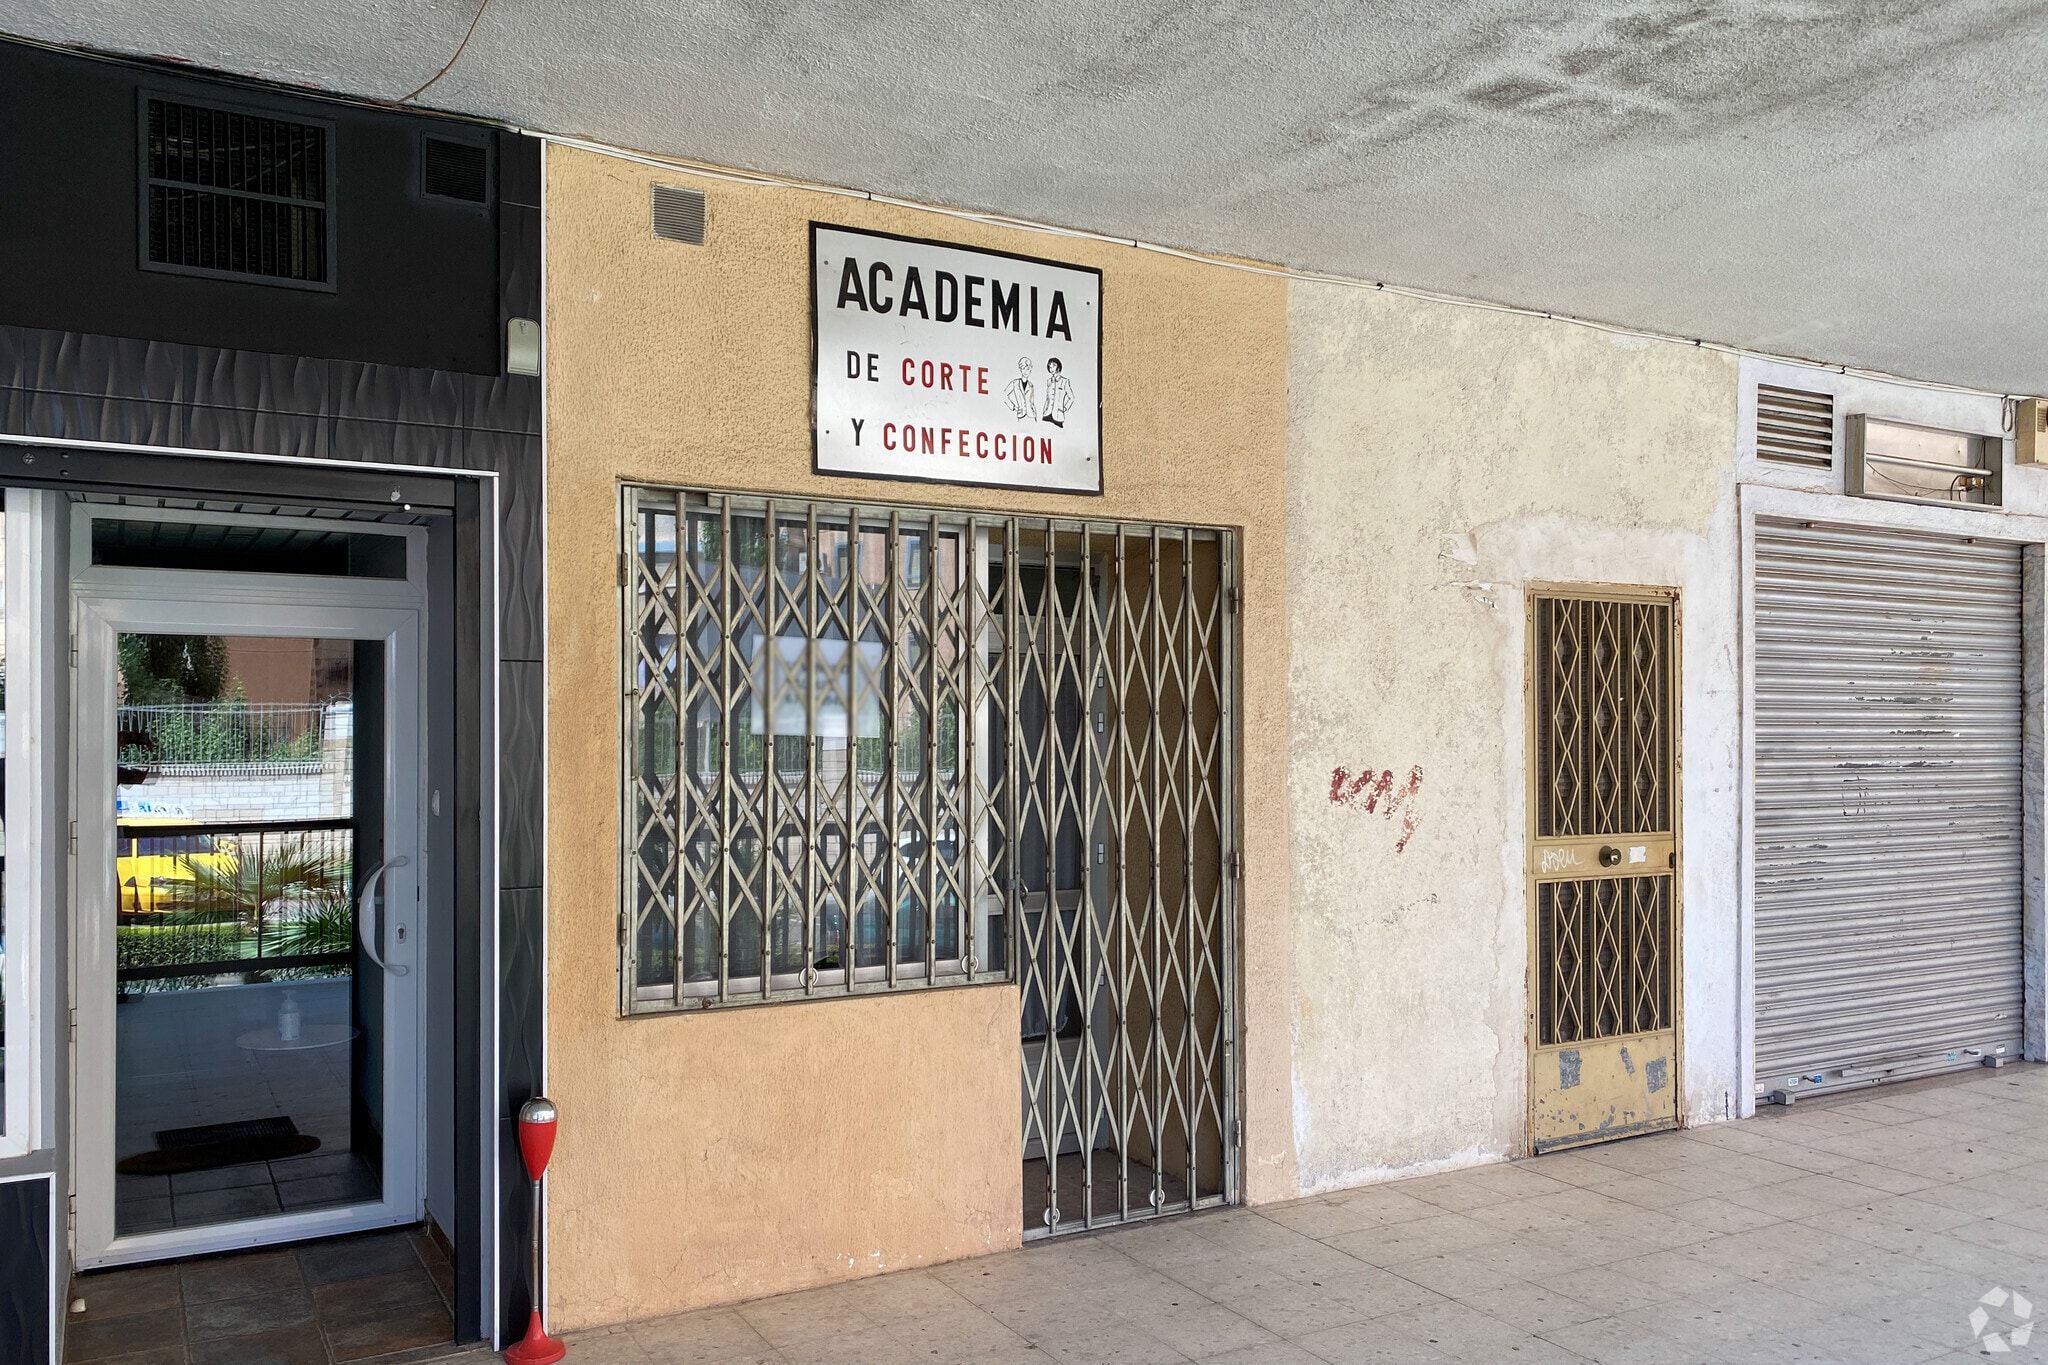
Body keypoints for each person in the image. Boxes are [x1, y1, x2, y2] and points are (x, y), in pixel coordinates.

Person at [1040, 356, 1073, 428]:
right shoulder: (1049, 381)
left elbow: (1071, 397)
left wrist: (1064, 408)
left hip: (1058, 415)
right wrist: (1044, 410)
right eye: (1050, 367)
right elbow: (1047, 398)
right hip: (1047, 414)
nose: (1051, 369)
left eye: (1053, 366)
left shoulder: (1064, 381)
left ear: (1058, 367)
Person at [1003, 357, 1036, 421]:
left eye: (1027, 369)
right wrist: (1013, 407)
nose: (1025, 371)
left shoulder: (1031, 385)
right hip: (1021, 415)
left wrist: (1035, 415)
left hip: (1031, 416)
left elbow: (1032, 402)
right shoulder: (1015, 383)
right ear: (1020, 369)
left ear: (1030, 370)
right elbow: (1004, 395)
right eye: (1023, 368)